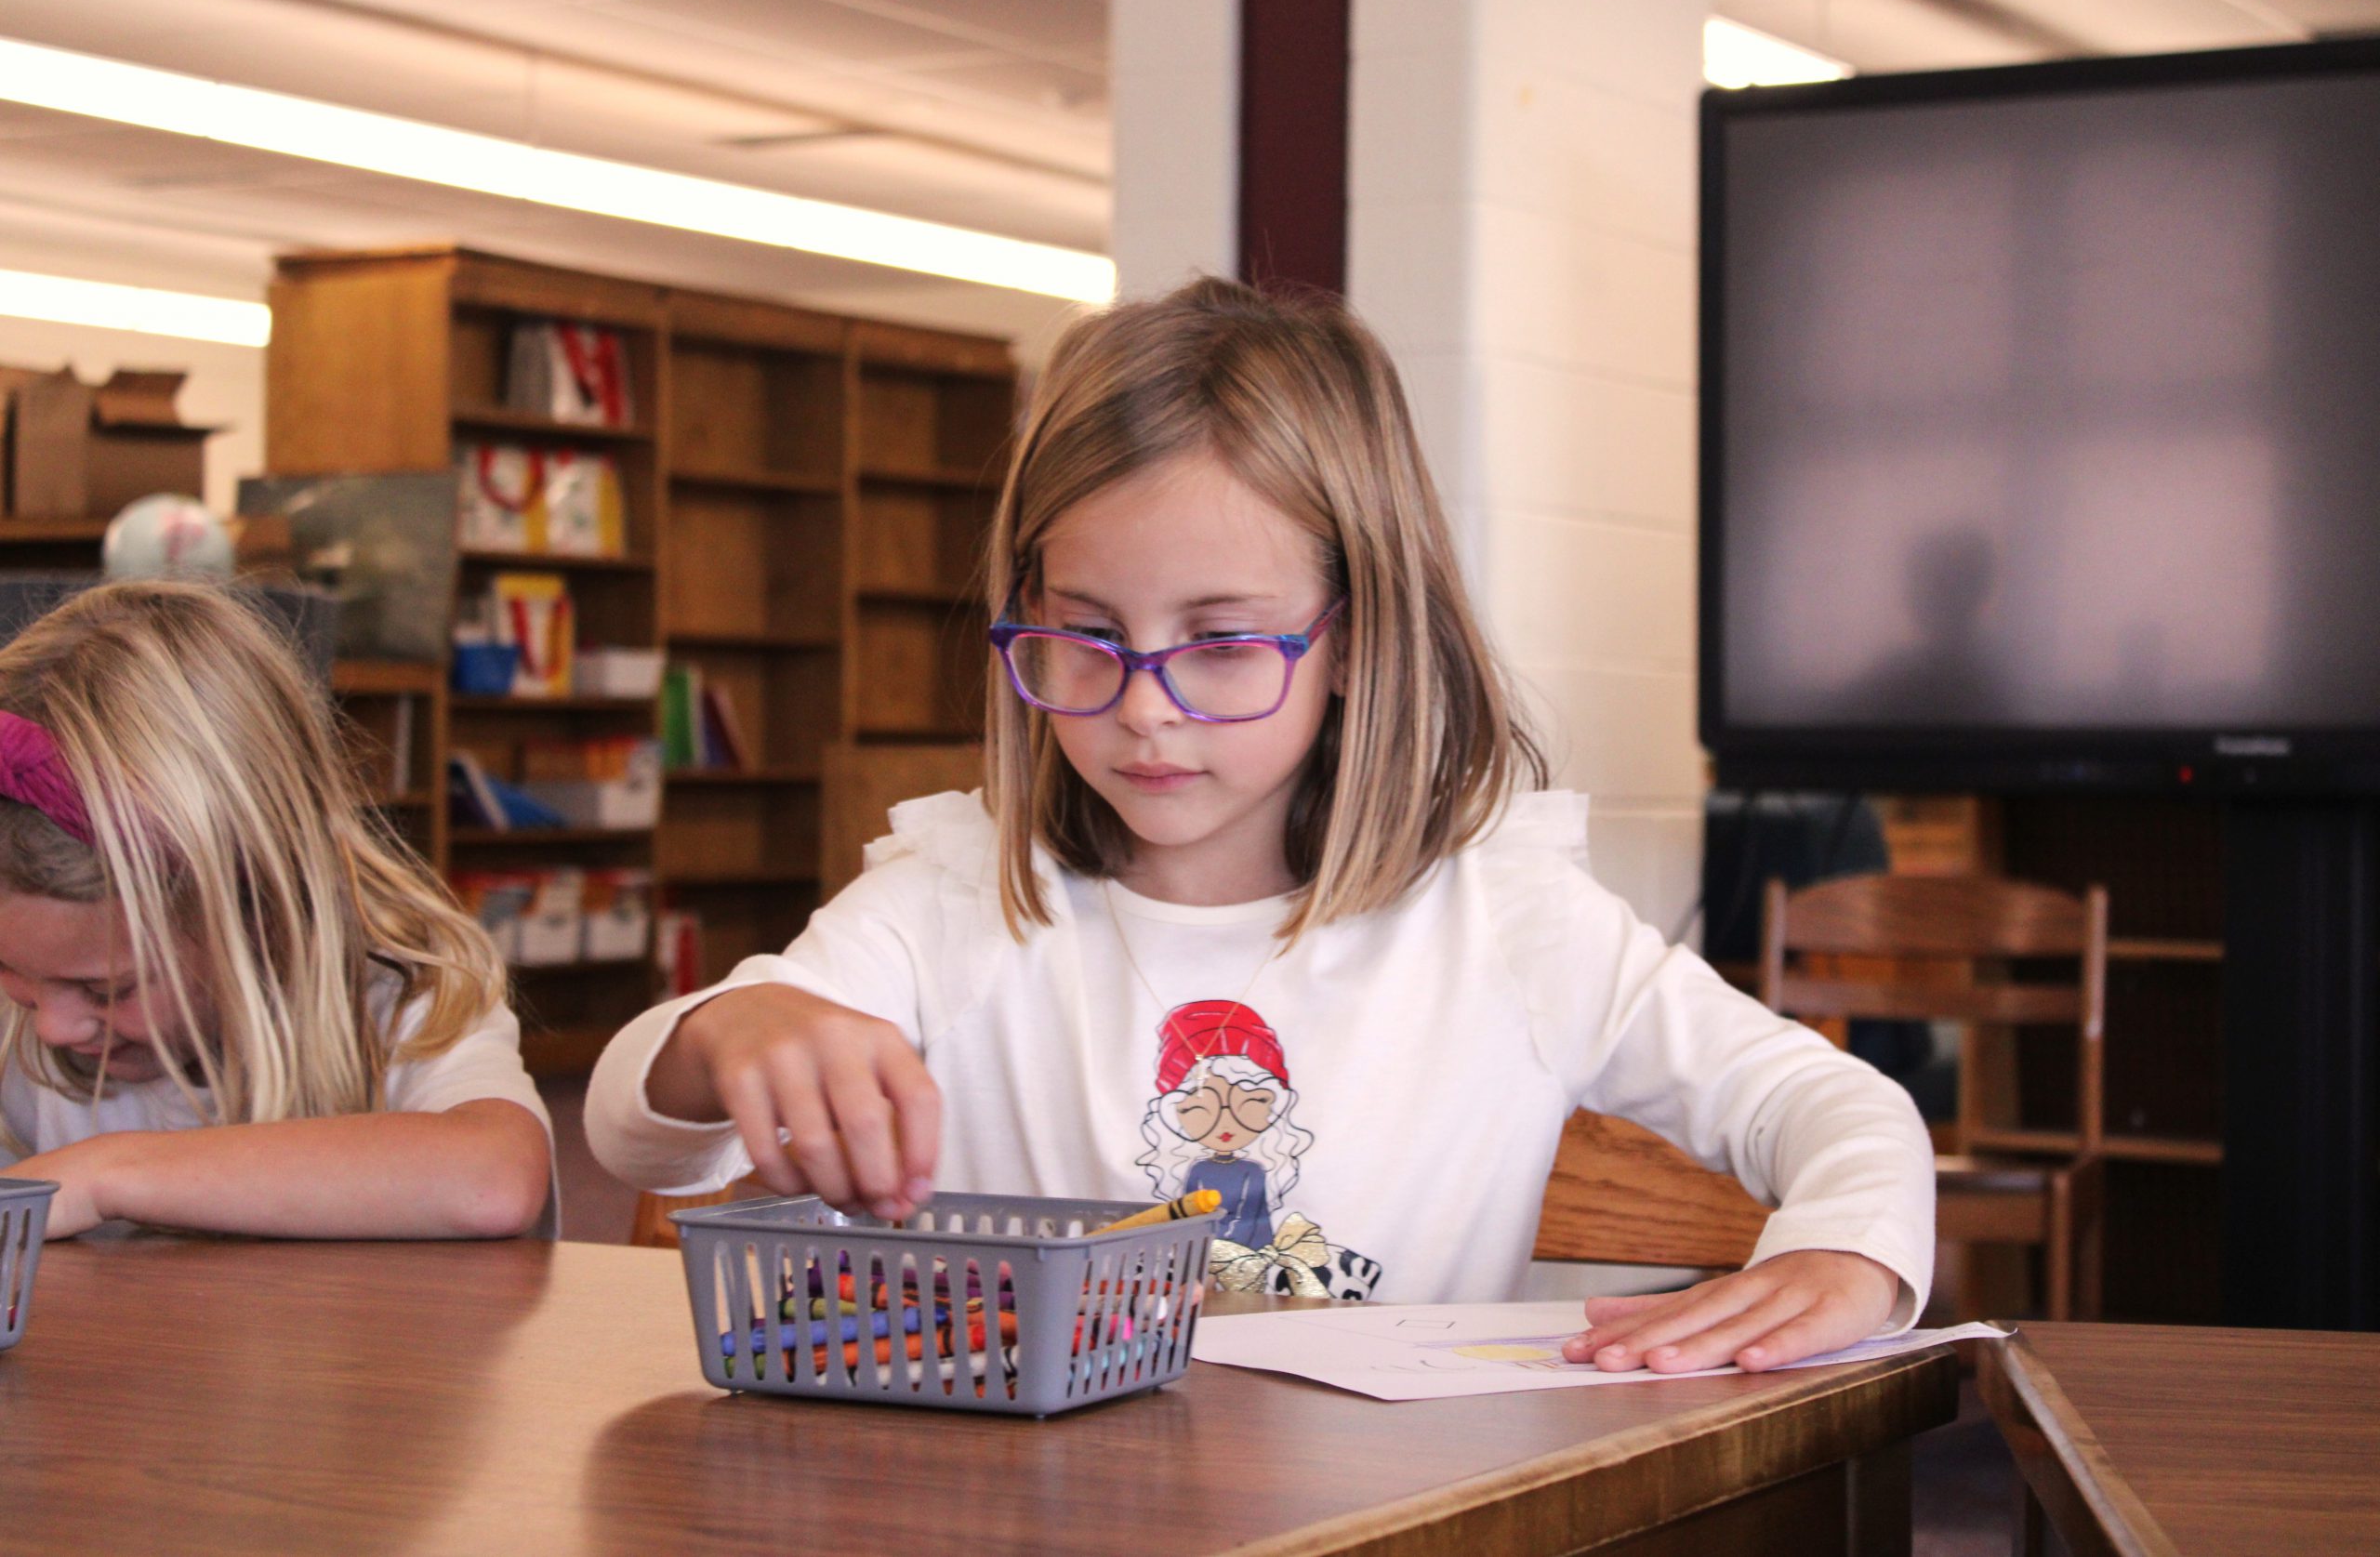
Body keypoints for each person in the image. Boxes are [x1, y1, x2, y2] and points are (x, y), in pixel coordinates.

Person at [587, 277, 1933, 1371]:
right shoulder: (955, 891)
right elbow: (639, 1133)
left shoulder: (1506, 914)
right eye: (1086, 637)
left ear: (1355, 637)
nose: (1146, 711)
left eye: (1224, 642)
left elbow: (1827, 1100)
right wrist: (728, 1031)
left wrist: (1852, 1250)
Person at [0, 580, 553, 1239]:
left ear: (259, 909)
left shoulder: (401, 990)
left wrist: (104, 1174)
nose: (55, 1027)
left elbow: (492, 1178)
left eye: (105, 988)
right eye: (12, 974)